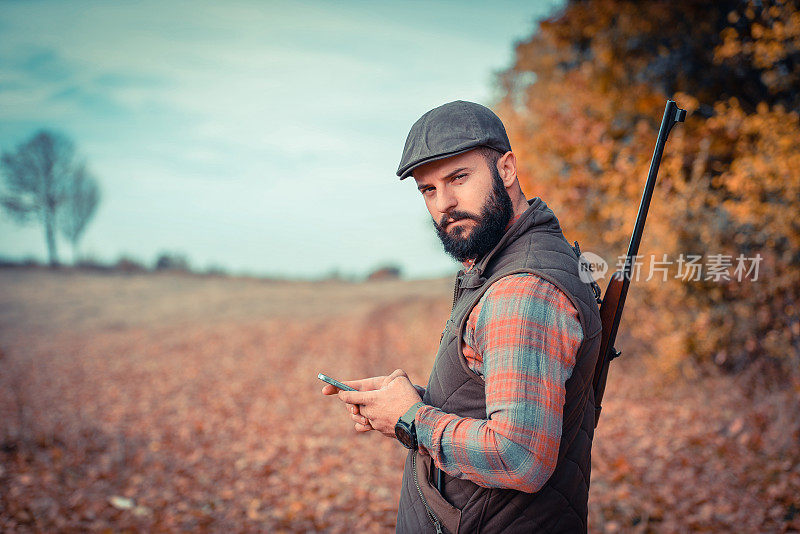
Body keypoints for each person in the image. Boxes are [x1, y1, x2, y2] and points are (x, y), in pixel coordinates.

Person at [321, 100, 602, 533]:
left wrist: (411, 419)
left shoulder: (521, 289)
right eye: (428, 190)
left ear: (506, 169)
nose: (444, 204)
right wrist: (404, 402)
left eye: (458, 178)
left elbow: (520, 457)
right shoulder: (503, 265)